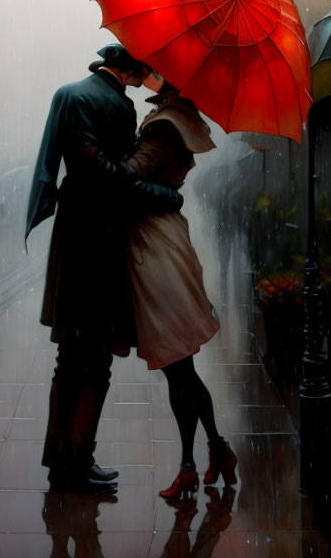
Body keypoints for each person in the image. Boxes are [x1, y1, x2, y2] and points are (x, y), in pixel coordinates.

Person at [26, 43, 183, 491]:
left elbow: (82, 170)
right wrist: (165, 196)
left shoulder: (69, 94)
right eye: (144, 69)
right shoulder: (115, 104)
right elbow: (114, 178)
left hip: (71, 238)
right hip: (99, 243)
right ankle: (77, 460)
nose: (147, 76)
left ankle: (61, 462)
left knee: (69, 359)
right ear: (128, 67)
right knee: (93, 360)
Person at [120, 73, 237, 499]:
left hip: (155, 250)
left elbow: (128, 176)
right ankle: (216, 450)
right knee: (181, 366)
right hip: (164, 242)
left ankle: (192, 463)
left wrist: (100, 156)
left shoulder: (165, 124)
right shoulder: (178, 119)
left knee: (177, 365)